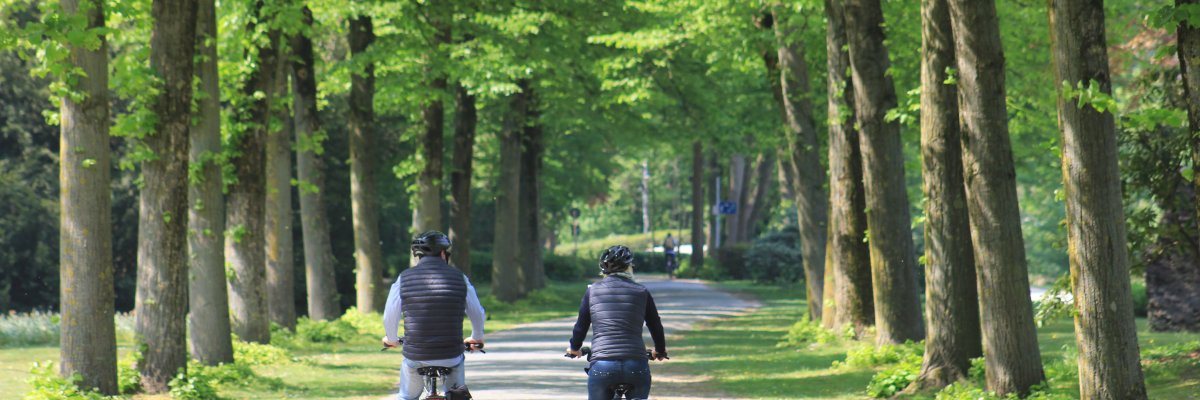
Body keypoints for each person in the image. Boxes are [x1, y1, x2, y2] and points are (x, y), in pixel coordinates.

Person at [382, 231, 485, 400]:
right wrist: (476, 337)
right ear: (443, 253)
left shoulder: (404, 278)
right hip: (451, 354)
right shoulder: (460, 278)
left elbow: (390, 314)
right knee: (457, 396)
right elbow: (476, 312)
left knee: (406, 396)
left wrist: (392, 339)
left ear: (418, 256)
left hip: (416, 355)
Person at [567, 245, 668, 400]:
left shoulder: (592, 291)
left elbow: (581, 326)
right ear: (629, 267)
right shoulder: (641, 291)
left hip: (602, 365)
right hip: (636, 365)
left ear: (603, 269)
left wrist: (574, 348)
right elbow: (655, 325)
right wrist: (660, 350)